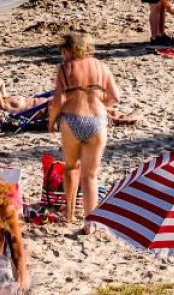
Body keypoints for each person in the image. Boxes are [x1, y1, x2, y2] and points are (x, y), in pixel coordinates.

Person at [47, 31, 118, 230]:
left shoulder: (65, 68)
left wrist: (51, 122)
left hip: (71, 120)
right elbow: (115, 96)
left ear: (68, 49)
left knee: (70, 167)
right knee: (90, 176)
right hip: (97, 121)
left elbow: (58, 101)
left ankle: (69, 214)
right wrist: (101, 102)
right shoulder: (102, 67)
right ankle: (90, 223)